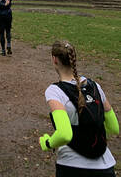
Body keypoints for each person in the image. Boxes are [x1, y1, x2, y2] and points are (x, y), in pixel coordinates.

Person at [39, 40, 118, 176]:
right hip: (106, 167)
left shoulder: (55, 91)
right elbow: (114, 128)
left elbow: (64, 134)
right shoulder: (95, 86)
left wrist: (47, 143)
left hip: (72, 167)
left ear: (54, 60)